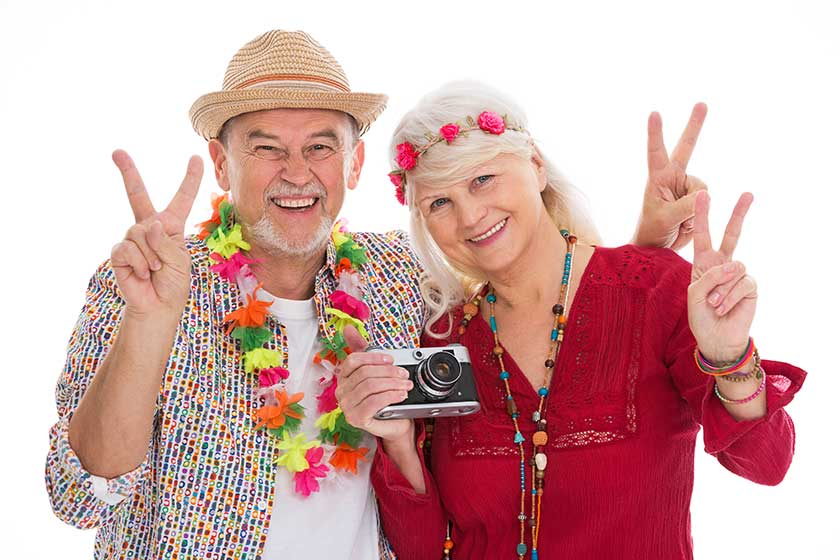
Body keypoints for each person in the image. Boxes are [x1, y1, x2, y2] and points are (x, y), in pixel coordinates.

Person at [45, 31, 696, 559]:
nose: (297, 173)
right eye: (266, 148)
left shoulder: (404, 282)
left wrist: (644, 251)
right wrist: (151, 325)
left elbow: (533, 295)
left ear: (353, 166)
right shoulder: (144, 281)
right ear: (221, 163)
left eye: (320, 147)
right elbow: (77, 498)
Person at [337, 82, 806, 559]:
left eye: (483, 179)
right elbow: (425, 550)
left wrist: (730, 360)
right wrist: (397, 440)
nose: (472, 215)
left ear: (536, 165)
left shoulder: (656, 291)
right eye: (439, 202)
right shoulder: (442, 339)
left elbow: (766, 464)